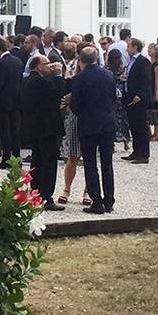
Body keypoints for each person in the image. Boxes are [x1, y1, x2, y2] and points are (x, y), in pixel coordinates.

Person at [70, 47, 117, 215]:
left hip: (88, 124)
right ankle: (109, 201)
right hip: (107, 123)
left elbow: (75, 105)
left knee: (90, 164)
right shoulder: (108, 75)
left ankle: (96, 202)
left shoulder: (79, 79)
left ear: (80, 61)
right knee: (107, 163)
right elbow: (113, 97)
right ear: (96, 59)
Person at [20, 56, 67, 211]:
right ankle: (46, 196)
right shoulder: (40, 82)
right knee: (48, 163)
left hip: (35, 127)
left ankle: (36, 193)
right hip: (46, 127)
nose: (50, 67)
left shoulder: (27, 81)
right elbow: (58, 91)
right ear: (39, 66)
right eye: (47, 64)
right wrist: (59, 74)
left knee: (37, 161)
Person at [58, 43, 90, 207]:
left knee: (90, 159)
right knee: (72, 158)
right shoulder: (73, 78)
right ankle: (66, 189)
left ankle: (87, 192)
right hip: (75, 118)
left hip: (88, 118)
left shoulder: (92, 77)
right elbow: (65, 99)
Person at [0, 36, 25, 167]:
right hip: (15, 100)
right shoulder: (17, 61)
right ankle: (16, 157)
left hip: (2, 102)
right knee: (15, 131)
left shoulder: (0, 64)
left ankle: (6, 159)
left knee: (4, 131)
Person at [122, 38, 153, 164]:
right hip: (130, 97)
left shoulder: (143, 61)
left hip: (139, 99)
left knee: (141, 126)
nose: (127, 48)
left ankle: (144, 154)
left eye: (129, 46)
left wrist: (140, 95)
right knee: (133, 125)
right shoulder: (131, 61)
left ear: (135, 47)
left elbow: (147, 80)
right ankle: (136, 151)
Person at [105, 49, 129, 151]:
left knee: (112, 120)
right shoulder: (123, 68)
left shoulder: (106, 68)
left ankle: (112, 143)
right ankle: (125, 141)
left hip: (110, 96)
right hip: (121, 96)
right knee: (123, 120)